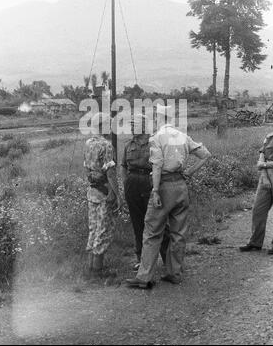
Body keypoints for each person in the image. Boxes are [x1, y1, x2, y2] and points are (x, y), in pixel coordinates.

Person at [126, 103, 211, 289]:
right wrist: (189, 172)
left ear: (159, 118)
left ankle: (144, 276)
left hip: (164, 186)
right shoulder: (182, 136)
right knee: (178, 232)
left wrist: (155, 191)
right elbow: (206, 155)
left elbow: (156, 166)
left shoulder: (157, 138)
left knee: (152, 230)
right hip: (181, 186)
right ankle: (174, 273)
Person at [121, 113, 170, 271]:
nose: (132, 127)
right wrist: (125, 183)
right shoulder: (128, 145)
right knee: (137, 223)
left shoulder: (154, 142)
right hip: (132, 184)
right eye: (131, 124)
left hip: (150, 183)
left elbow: (160, 166)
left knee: (158, 221)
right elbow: (123, 166)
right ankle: (142, 259)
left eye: (134, 124)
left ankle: (168, 258)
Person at [84, 112, 124, 278]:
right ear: (103, 126)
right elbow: (111, 173)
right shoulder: (106, 146)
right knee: (104, 229)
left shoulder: (88, 143)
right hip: (104, 192)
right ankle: (98, 270)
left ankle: (91, 268)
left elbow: (87, 168)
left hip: (92, 190)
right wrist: (117, 194)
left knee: (93, 228)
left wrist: (94, 180)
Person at [240, 120, 273, 255]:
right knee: (258, 210)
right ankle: (255, 242)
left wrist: (265, 165)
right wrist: (263, 173)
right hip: (265, 177)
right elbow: (261, 157)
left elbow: (263, 163)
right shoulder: (269, 138)